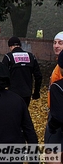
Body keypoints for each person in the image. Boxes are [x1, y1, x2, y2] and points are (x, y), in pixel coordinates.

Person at [1, 36, 42, 107]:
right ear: (20, 45)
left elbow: (2, 75)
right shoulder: (31, 56)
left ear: (10, 46)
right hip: (27, 93)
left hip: (12, 93)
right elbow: (38, 76)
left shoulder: (8, 57)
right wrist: (36, 92)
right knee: (24, 114)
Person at [44, 31, 63, 160]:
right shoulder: (57, 66)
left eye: (60, 43)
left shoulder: (60, 69)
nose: (56, 46)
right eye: (55, 42)